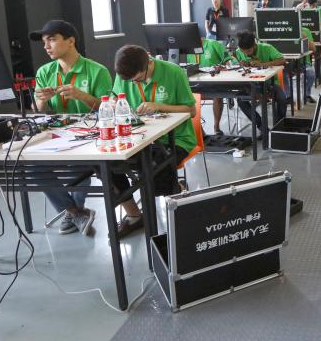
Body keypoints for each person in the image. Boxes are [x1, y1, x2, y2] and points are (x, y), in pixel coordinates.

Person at [30, 20, 111, 235]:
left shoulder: (97, 71)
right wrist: (41, 100)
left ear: (71, 41)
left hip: (88, 135)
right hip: (56, 134)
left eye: (51, 40)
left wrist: (81, 96)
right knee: (30, 165)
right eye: (44, 42)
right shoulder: (44, 72)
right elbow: (36, 112)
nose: (46, 46)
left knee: (78, 160)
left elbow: (108, 108)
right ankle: (74, 211)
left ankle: (73, 213)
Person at [111, 45, 198, 236]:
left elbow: (191, 111)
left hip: (176, 139)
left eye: (138, 79)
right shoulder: (125, 74)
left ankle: (177, 190)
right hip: (138, 139)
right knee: (108, 167)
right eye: (130, 81)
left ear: (149, 63)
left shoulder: (173, 72)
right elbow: (115, 98)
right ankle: (134, 216)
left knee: (152, 169)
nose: (135, 83)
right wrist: (113, 104)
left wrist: (158, 106)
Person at [233, 31, 287, 135]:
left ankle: (279, 128)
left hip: (269, 82)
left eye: (248, 51)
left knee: (282, 98)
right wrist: (241, 64)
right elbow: (235, 66)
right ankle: (262, 126)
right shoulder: (239, 51)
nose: (246, 54)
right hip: (249, 84)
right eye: (243, 51)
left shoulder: (267, 48)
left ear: (254, 45)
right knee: (241, 100)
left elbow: (282, 60)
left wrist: (263, 64)